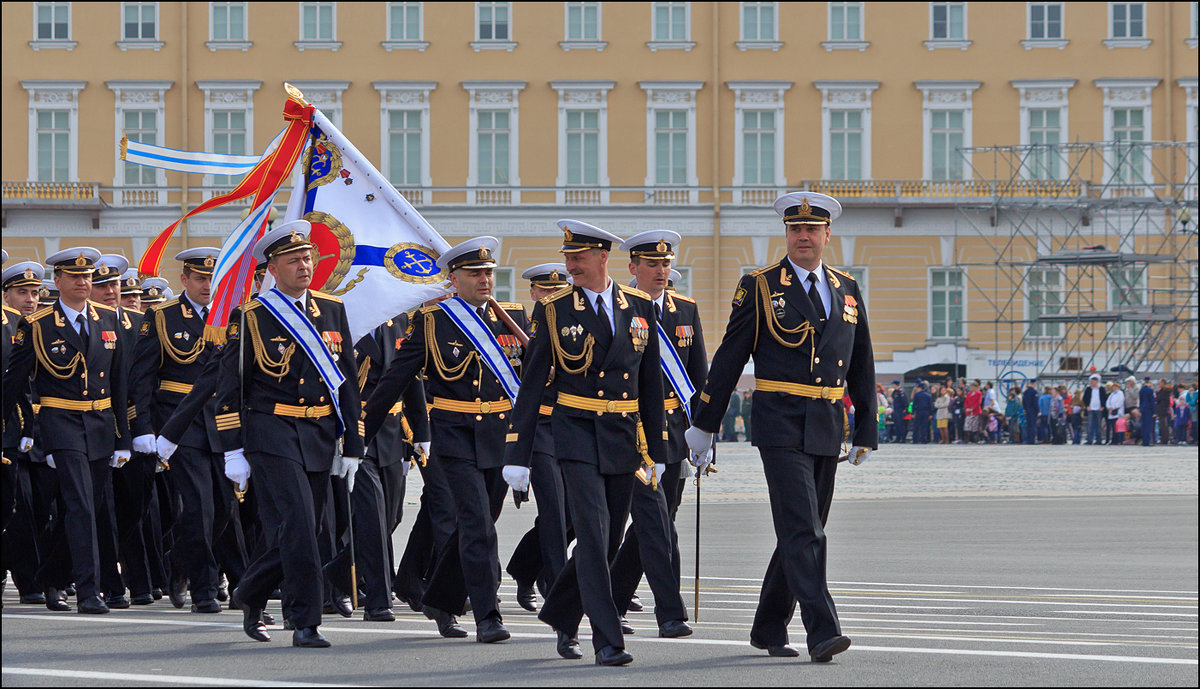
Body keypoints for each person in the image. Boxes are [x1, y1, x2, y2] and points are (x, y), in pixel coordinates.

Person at [685, 191, 875, 664]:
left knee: (802, 530)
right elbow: (730, 357)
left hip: (828, 424)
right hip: (780, 424)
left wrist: (866, 427)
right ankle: (823, 630)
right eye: (796, 229)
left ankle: (769, 624)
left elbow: (862, 361)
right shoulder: (762, 286)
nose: (804, 236)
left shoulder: (846, 288)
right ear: (786, 234)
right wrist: (705, 423)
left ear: (828, 235)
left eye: (812, 229)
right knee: (804, 530)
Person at [503, 219, 667, 666]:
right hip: (574, 435)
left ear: (602, 258)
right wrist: (518, 453)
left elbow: (650, 384)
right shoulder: (553, 310)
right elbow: (532, 385)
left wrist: (658, 450)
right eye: (568, 256)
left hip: (622, 439)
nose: (571, 264)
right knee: (592, 538)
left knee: (610, 538)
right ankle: (607, 640)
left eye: (579, 257)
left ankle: (561, 613)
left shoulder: (638, 306)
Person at [362, 236, 523, 644]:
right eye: (475, 273)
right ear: (453, 279)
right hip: (454, 438)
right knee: (478, 527)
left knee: (478, 525)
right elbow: (395, 380)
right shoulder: (432, 321)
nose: (485, 279)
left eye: (488, 272)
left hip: (498, 438)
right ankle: (489, 614)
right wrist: (359, 433)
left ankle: (439, 599)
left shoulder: (509, 321)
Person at [217, 220, 364, 648]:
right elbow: (230, 388)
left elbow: (348, 381)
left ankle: (250, 590)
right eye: (293, 260)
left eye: (307, 258)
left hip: (318, 431)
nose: (304, 265)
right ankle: (305, 622)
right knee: (299, 524)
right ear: (272, 268)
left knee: (304, 530)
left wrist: (352, 443)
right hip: (272, 431)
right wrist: (233, 450)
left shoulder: (332, 310)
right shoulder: (251, 316)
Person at [3, 247, 133, 614]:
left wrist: (123, 437)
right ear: (57, 281)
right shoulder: (39, 324)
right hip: (61, 423)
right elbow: (15, 382)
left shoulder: (109, 319)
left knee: (88, 507)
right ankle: (89, 591)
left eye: (88, 276)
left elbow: (120, 384)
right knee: (79, 504)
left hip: (100, 424)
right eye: (74, 277)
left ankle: (51, 575)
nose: (83, 282)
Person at [131, 247, 248, 613]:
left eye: (213, 278)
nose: (207, 286)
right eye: (200, 278)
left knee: (226, 510)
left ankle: (179, 562)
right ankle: (204, 588)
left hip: (223, 422)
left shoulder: (234, 315)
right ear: (184, 280)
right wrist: (143, 426)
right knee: (199, 508)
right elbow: (142, 377)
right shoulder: (163, 317)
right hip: (181, 425)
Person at [608, 230, 704, 639]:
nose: (661, 271)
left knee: (661, 520)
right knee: (654, 522)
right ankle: (670, 612)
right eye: (652, 264)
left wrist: (705, 432)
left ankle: (612, 597)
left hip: (676, 431)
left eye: (666, 264)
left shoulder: (685, 309)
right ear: (633, 268)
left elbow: (698, 376)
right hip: (634, 431)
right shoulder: (618, 309)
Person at [347, 311, 429, 622]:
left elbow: (409, 377)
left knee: (392, 516)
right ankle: (379, 601)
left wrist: (422, 432)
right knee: (372, 517)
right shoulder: (345, 321)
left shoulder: (397, 323)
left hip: (392, 431)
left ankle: (337, 576)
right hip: (354, 429)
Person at [505, 264, 573, 613]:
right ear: (533, 293)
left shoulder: (574, 324)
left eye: (557, 291)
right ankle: (555, 582)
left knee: (573, 514)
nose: (550, 297)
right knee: (554, 510)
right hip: (540, 429)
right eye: (544, 291)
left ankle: (523, 567)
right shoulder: (518, 327)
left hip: (572, 428)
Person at [1082, 374, 1106, 445]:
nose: (1091, 383)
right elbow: (1085, 398)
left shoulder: (1101, 389)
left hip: (1099, 409)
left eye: (1093, 381)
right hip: (1091, 409)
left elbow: (1104, 398)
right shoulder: (1088, 389)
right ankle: (1089, 440)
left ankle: (1099, 440)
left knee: (1099, 425)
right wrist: (1087, 406)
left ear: (1097, 381)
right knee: (1089, 425)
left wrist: (1102, 406)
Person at [1138, 377, 1156, 446]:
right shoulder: (1150, 390)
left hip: (1143, 408)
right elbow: (1152, 401)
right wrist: (1154, 412)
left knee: (1143, 425)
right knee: (1148, 425)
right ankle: (1147, 441)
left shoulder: (1141, 390)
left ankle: (1144, 440)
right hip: (1149, 409)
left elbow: (1141, 400)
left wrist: (1140, 408)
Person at [1155, 379, 1173, 445]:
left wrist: (1157, 392)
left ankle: (1164, 439)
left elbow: (1158, 398)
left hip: (1162, 410)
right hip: (1164, 409)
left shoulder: (1164, 391)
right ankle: (1164, 438)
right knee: (1163, 425)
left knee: (1163, 425)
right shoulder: (1167, 391)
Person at [1022, 380, 1039, 444]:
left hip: (1027, 410)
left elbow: (1024, 402)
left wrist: (1025, 409)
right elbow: (1035, 402)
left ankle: (1028, 439)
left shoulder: (1025, 392)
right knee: (1033, 425)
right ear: (1034, 383)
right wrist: (1038, 410)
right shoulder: (1034, 392)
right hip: (1033, 410)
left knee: (1028, 425)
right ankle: (1032, 440)